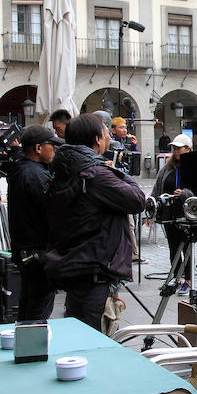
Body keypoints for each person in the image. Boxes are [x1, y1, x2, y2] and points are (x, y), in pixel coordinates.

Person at [44, 114, 146, 331]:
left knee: (79, 333)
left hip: (73, 264)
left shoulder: (62, 168)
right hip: (95, 269)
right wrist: (115, 171)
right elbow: (137, 200)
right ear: (98, 139)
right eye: (106, 132)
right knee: (96, 339)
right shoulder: (96, 173)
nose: (109, 136)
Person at [4, 125, 64, 320]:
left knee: (30, 306)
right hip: (36, 251)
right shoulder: (35, 175)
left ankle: (25, 344)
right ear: (38, 148)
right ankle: (32, 347)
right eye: (51, 145)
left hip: (26, 250)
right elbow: (52, 210)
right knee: (37, 311)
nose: (54, 149)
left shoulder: (22, 169)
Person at [151, 133, 194, 295]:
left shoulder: (193, 168)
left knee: (187, 247)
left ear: (188, 149)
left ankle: (188, 280)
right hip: (169, 214)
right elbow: (157, 187)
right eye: (174, 149)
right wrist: (152, 209)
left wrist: (184, 193)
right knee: (173, 247)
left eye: (179, 148)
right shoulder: (167, 167)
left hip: (187, 214)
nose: (176, 151)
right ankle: (177, 278)